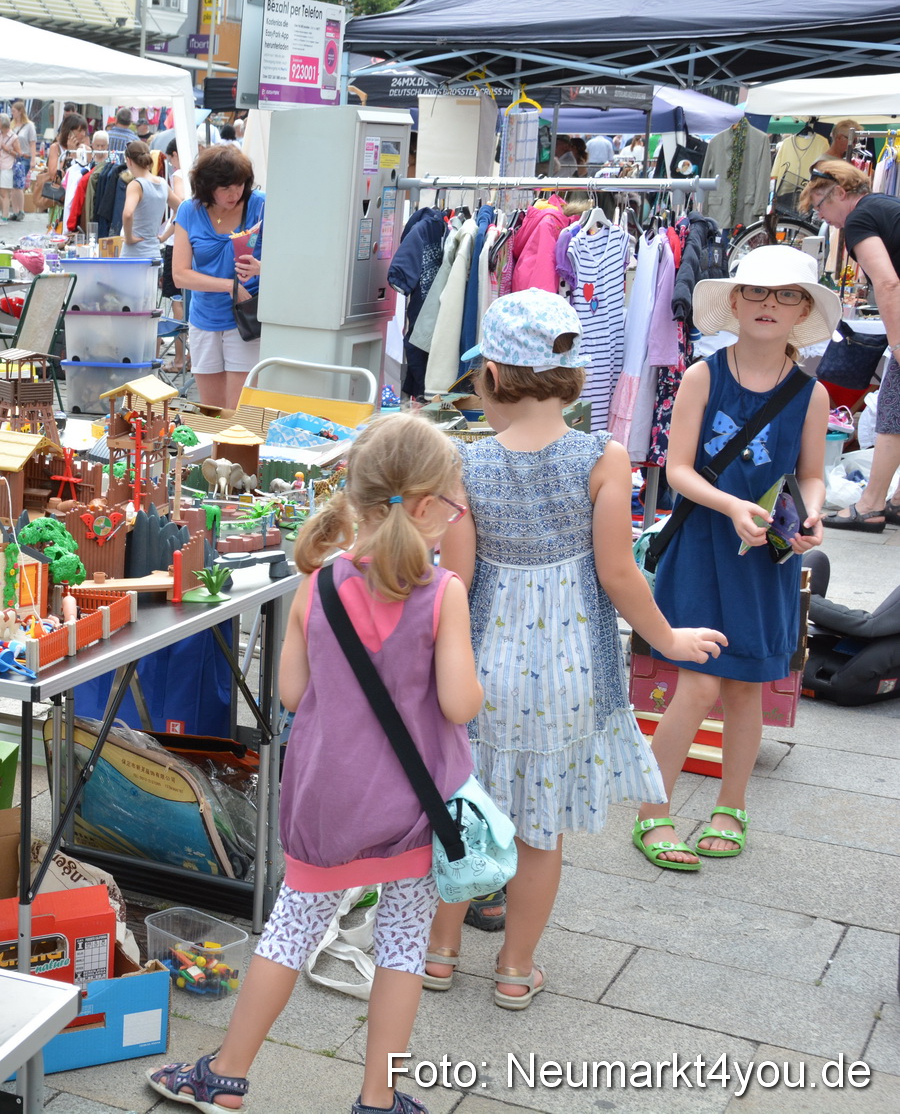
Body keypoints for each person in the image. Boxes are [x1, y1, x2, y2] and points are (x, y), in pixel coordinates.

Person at [147, 413, 481, 1114]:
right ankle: (377, 1096)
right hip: (413, 810)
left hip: (326, 799)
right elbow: (459, 702)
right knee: (401, 947)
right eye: (455, 502)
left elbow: (291, 693)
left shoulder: (321, 583)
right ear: (424, 508)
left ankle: (227, 1074)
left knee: (290, 929)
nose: (459, 516)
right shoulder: (443, 593)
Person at [421, 291, 725, 1009]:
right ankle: (516, 968)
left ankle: (438, 952)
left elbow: (456, 580)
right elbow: (618, 573)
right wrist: (669, 637)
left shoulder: (467, 463)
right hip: (570, 672)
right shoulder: (604, 456)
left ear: (491, 374)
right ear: (575, 375)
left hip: (484, 667)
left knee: (465, 811)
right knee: (539, 831)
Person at [636, 246, 832, 870]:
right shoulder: (703, 375)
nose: (769, 305)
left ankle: (731, 805)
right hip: (702, 546)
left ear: (803, 309)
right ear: (736, 302)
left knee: (747, 686)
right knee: (696, 687)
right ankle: (653, 812)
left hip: (766, 557)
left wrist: (813, 516)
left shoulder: (812, 393)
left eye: (785, 295)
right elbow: (678, 470)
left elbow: (812, 476)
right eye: (757, 292)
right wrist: (730, 506)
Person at [805, 160, 900, 530]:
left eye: (820, 206)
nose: (822, 217)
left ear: (841, 194)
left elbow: (888, 283)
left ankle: (871, 505)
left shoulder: (861, 219)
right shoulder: (884, 205)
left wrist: (896, 342)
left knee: (892, 413)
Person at [172, 144, 263, 409]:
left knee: (238, 412)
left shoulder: (261, 206)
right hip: (204, 317)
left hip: (245, 318)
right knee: (211, 412)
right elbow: (180, 275)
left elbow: (290, 261)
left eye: (239, 185)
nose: (234, 193)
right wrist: (228, 286)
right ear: (207, 186)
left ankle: (235, 453)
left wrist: (261, 267)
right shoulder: (190, 210)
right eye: (225, 187)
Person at [119, 140, 174, 261]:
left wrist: (129, 238)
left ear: (128, 161)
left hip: (133, 254)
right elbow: (181, 209)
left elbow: (128, 214)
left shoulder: (136, 185)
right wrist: (164, 236)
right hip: (154, 252)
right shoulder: (163, 183)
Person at [9, 101, 36, 221]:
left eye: (14, 111)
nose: (12, 113)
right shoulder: (12, 125)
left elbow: (33, 143)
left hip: (25, 156)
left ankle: (21, 210)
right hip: (13, 156)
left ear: (20, 111)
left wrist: (33, 159)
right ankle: (15, 210)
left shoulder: (29, 126)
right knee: (13, 185)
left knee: (19, 184)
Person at [0, 113, 18, 223]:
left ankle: (5, 216)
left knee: (5, 193)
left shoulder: (13, 137)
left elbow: (19, 153)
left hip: (7, 165)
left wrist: (8, 150)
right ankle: (4, 212)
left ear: (3, 123)